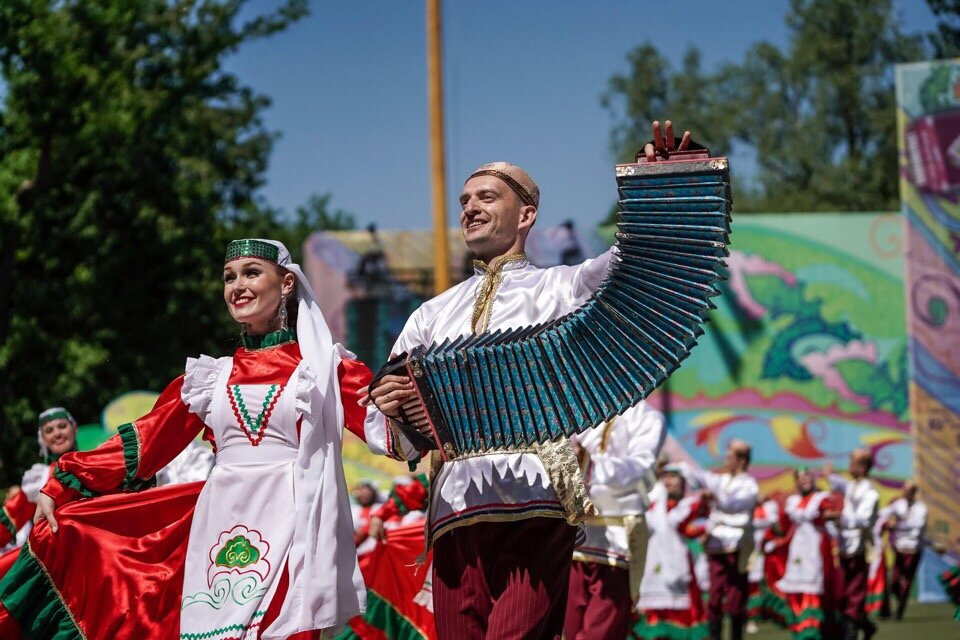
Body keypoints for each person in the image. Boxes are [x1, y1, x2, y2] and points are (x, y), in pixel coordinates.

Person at [362, 121, 694, 639]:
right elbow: (381, 422)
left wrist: (665, 192)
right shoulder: (429, 315)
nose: (470, 207)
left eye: (487, 197)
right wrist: (392, 406)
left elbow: (639, 267)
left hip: (537, 498)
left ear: (527, 214)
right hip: (454, 508)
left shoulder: (563, 287)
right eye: (465, 199)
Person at [1, 239, 370, 639]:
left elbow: (389, 426)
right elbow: (147, 440)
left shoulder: (323, 368)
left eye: (251, 273)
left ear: (285, 284)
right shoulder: (211, 378)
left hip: (296, 521)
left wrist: (404, 401)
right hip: (221, 524)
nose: (237, 286)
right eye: (229, 278)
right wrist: (66, 479)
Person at [564, 401, 666, 640]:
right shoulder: (583, 411)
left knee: (603, 628)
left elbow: (640, 468)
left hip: (619, 530)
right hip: (578, 530)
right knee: (569, 624)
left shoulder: (647, 417)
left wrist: (589, 464)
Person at [688, 440, 759, 640]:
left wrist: (714, 495)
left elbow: (731, 505)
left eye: (730, 457)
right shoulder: (722, 480)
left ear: (742, 460)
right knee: (715, 597)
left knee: (736, 599)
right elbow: (702, 479)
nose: (726, 461)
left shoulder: (749, 485)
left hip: (737, 545)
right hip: (717, 545)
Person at [634, 464, 709, 640]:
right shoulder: (652, 504)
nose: (668, 481)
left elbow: (690, 525)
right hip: (652, 569)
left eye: (673, 476)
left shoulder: (687, 505)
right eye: (665, 476)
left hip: (679, 569)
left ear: (683, 481)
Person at [773, 466, 840, 640]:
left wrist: (835, 516)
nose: (804, 480)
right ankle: (799, 626)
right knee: (796, 587)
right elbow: (783, 526)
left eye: (807, 476)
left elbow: (828, 513)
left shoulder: (821, 498)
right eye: (800, 477)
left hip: (815, 546)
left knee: (813, 588)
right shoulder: (793, 501)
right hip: (798, 548)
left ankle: (812, 630)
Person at [0, 407, 79, 554]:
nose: (57, 433)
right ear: (42, 439)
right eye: (49, 431)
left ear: (74, 428)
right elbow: (11, 517)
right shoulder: (38, 478)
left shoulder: (93, 462)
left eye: (62, 426)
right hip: (61, 557)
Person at [825, 448, 879, 640]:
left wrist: (840, 518)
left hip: (858, 548)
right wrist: (830, 475)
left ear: (863, 467)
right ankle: (866, 626)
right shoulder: (853, 486)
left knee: (854, 595)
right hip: (844, 547)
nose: (849, 466)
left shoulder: (869, 492)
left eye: (853, 462)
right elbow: (840, 484)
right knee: (842, 595)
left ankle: (851, 634)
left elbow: (864, 520)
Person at [879, 481, 927, 621]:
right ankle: (897, 601)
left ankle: (899, 611)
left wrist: (897, 525)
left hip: (913, 550)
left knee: (906, 581)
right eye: (904, 490)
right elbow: (884, 512)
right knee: (894, 581)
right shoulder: (899, 504)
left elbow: (917, 525)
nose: (905, 493)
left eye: (908, 490)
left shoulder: (921, 508)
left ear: (914, 492)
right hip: (899, 549)